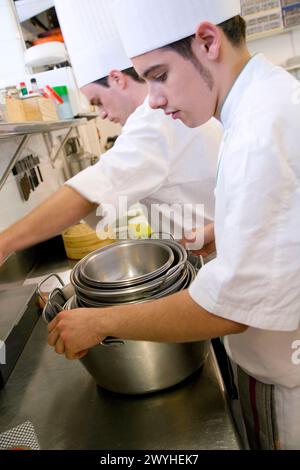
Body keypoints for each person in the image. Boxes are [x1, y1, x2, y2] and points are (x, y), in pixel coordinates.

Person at [47, 0, 300, 450]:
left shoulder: (259, 129)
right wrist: (226, 229)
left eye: (160, 76)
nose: (155, 99)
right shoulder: (265, 98)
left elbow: (228, 310)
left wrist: (102, 323)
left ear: (207, 41)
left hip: (290, 383)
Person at [0, 0, 221, 267]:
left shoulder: (154, 120)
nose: (102, 114)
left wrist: (4, 243)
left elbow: (90, 191)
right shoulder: (165, 115)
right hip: (207, 254)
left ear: (117, 78)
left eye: (97, 101)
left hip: (207, 263)